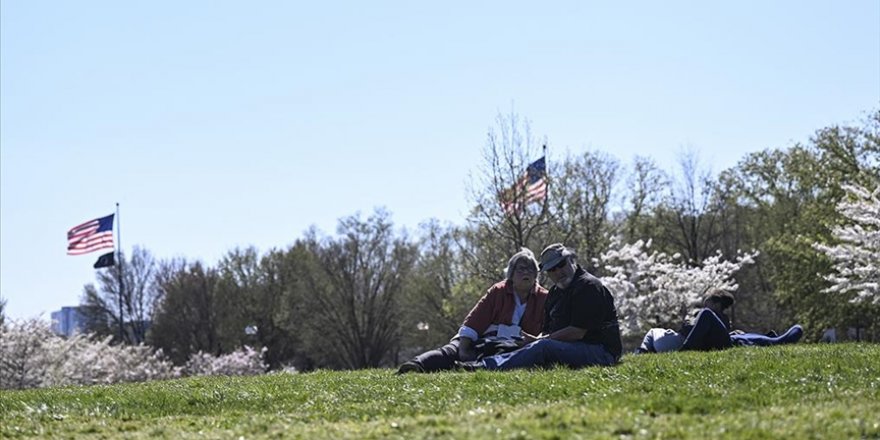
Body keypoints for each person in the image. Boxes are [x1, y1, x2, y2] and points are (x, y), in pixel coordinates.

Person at [459, 243, 622, 370]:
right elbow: (548, 330)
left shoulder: (588, 287)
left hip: (602, 352)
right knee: (529, 344)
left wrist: (539, 340)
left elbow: (577, 332)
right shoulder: (555, 293)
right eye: (552, 269)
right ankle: (480, 360)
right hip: (572, 348)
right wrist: (531, 340)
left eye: (561, 264)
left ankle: (486, 366)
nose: (558, 271)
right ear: (547, 273)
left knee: (543, 346)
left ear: (571, 260)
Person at [396, 248, 548, 374]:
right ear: (511, 274)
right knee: (450, 352)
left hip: (511, 348)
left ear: (536, 275)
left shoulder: (544, 298)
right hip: (480, 338)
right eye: (521, 269)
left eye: (531, 269)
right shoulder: (498, 291)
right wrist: (463, 349)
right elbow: (475, 321)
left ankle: (469, 367)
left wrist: (535, 341)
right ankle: (414, 365)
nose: (526, 273)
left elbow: (548, 331)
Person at [637, 290, 803, 353]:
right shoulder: (718, 322)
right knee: (653, 331)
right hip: (718, 341)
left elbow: (716, 335)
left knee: (706, 315)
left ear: (716, 304)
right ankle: (643, 352)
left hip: (693, 344)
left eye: (708, 301)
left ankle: (686, 350)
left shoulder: (714, 317)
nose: (705, 304)